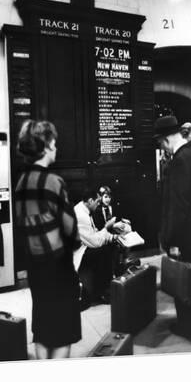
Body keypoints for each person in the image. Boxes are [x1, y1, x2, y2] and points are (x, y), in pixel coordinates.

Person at [14, 120, 81, 360]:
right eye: (53, 142)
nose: (56, 147)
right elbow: (71, 230)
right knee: (64, 332)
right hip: (58, 266)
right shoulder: (53, 182)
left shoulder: (20, 183)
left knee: (42, 326)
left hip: (35, 265)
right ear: (45, 146)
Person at [154, 115, 191, 337]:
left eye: (160, 144)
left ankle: (187, 326)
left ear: (166, 140)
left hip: (184, 235)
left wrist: (172, 241)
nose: (162, 149)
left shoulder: (179, 161)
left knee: (182, 281)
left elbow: (177, 207)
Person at [73, 189, 119, 304]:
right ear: (90, 201)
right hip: (78, 252)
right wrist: (107, 228)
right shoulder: (81, 215)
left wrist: (112, 237)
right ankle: (103, 291)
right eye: (97, 201)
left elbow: (94, 232)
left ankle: (112, 283)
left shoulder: (83, 208)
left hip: (85, 244)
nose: (99, 204)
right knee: (103, 252)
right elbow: (95, 242)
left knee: (110, 246)